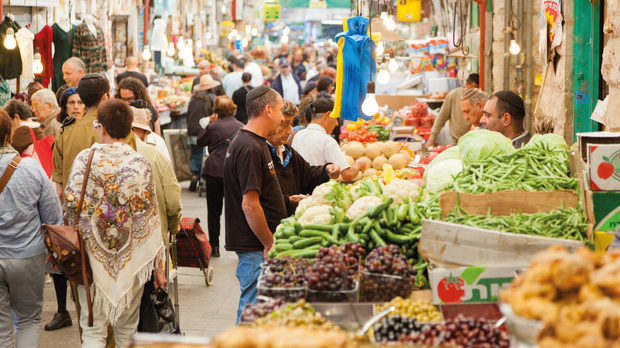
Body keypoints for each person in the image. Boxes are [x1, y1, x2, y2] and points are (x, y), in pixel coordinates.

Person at [64, 99, 166, 348]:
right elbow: (150, 216)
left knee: (93, 332)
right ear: (130, 128)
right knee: (127, 331)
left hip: (90, 262)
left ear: (102, 128)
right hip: (131, 260)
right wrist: (159, 266)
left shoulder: (84, 160)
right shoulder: (140, 164)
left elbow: (69, 207)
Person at [0, 109, 63, 348]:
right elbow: (52, 216)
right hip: (27, 255)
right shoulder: (30, 168)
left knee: (1, 327)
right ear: (9, 135)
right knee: (27, 320)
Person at [223, 86, 286, 322]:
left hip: (255, 246)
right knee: (251, 312)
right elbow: (249, 205)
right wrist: (269, 242)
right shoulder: (249, 147)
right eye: (280, 111)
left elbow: (259, 194)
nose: (282, 118)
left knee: (256, 311)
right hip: (254, 247)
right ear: (268, 110)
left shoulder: (253, 142)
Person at [266, 100, 339, 215]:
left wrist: (326, 170)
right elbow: (258, 198)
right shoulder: (259, 152)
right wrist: (288, 200)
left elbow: (307, 175)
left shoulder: (286, 150)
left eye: (291, 125)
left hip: (288, 221)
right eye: (284, 124)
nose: (290, 131)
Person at [197, 96, 244, 257]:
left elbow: (200, 141)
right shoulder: (241, 126)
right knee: (237, 209)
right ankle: (239, 244)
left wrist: (210, 122)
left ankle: (215, 246)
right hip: (234, 172)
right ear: (233, 109)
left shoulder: (213, 126)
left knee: (214, 210)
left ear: (215, 110)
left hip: (214, 171)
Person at [291, 98, 365, 181]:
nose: (337, 124)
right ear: (328, 115)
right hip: (317, 190)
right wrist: (358, 165)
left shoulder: (298, 135)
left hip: (298, 191)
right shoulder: (327, 141)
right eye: (336, 118)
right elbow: (347, 174)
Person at [187, 74, 221, 192]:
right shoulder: (213, 98)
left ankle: (194, 174)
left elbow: (188, 116)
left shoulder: (193, 99)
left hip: (192, 130)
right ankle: (204, 179)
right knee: (205, 155)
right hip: (204, 131)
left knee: (194, 154)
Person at [427, 73, 479, 147]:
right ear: (467, 84)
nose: (474, 91)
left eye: (477, 89)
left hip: (474, 141)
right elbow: (441, 117)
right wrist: (432, 137)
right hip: (457, 141)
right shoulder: (453, 95)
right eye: (473, 88)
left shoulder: (478, 97)